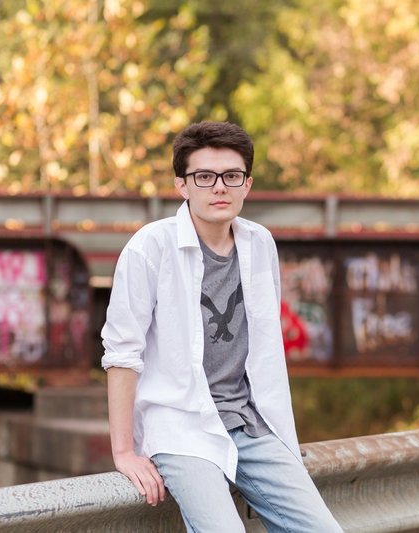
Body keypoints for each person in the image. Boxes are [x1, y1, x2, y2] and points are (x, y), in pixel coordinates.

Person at [101, 121, 343, 533]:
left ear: (247, 184)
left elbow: (264, 346)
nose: (219, 188)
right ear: (182, 185)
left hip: (249, 422)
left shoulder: (259, 243)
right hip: (180, 428)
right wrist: (124, 452)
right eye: (204, 177)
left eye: (232, 176)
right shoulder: (150, 247)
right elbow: (122, 352)